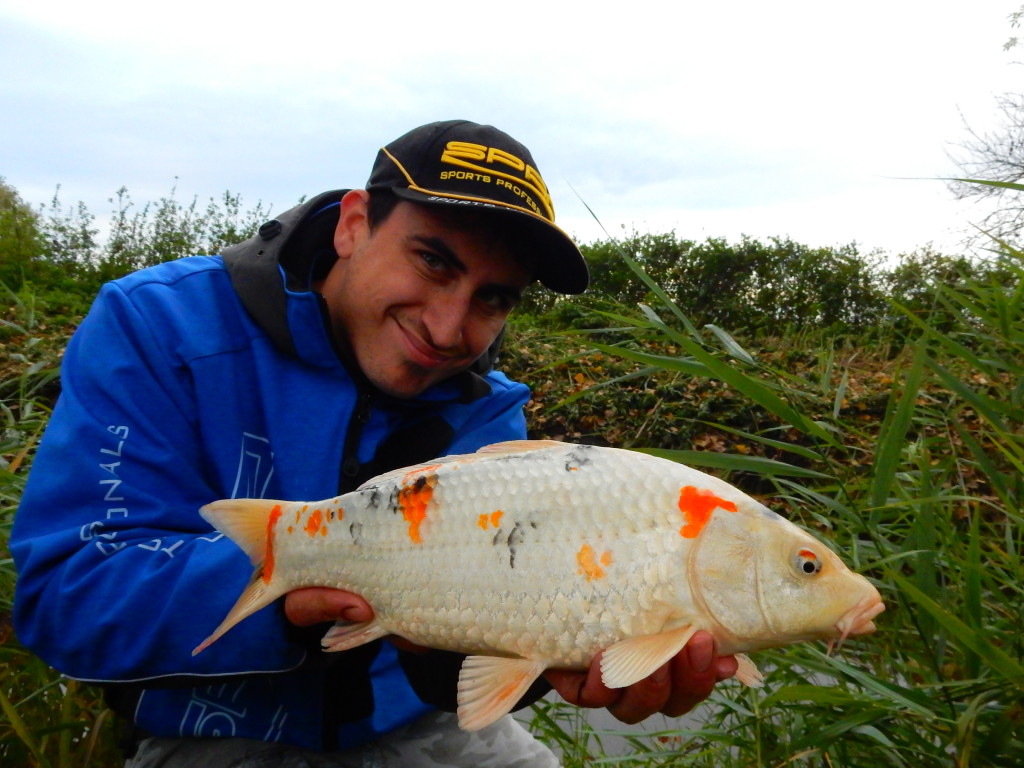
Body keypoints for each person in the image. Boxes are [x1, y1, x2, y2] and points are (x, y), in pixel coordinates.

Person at [11, 120, 737, 767]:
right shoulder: (160, 328)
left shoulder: (486, 414)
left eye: (494, 298)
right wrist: (291, 590)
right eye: (434, 262)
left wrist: (552, 658)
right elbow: (65, 596)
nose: (451, 330)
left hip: (422, 729)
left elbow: (456, 681)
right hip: (215, 725)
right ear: (353, 224)